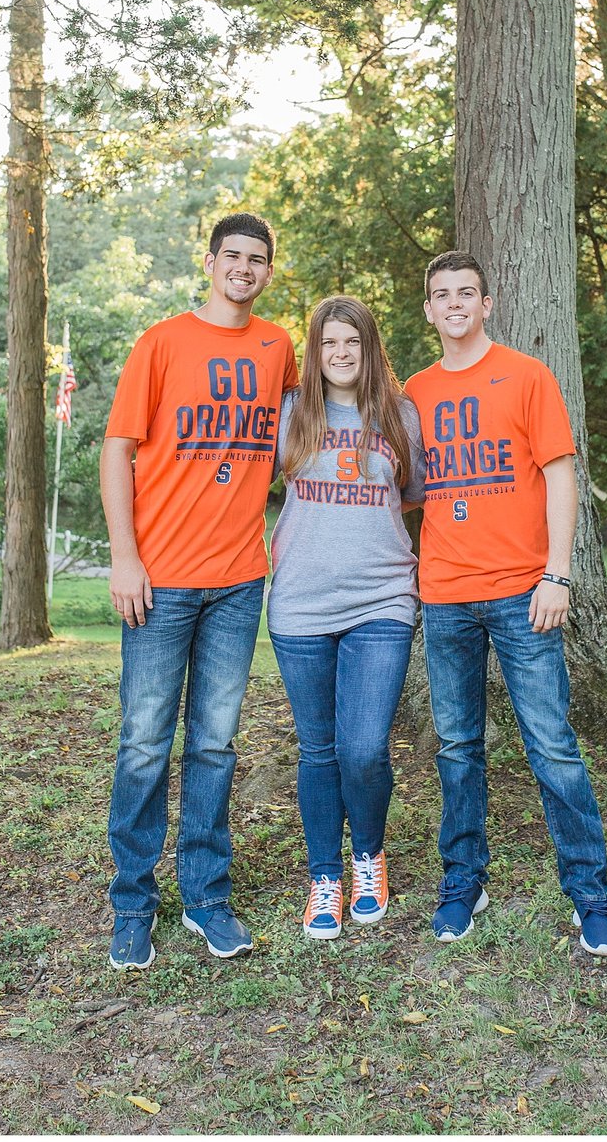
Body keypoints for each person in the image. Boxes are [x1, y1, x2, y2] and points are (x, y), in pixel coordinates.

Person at [404, 250, 607, 956]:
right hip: (445, 597)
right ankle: (464, 881)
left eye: (467, 292)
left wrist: (557, 575)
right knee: (459, 746)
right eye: (443, 294)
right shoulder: (414, 392)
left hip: (523, 593)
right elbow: (402, 488)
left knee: (552, 744)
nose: (456, 304)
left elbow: (561, 476)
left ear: (488, 303)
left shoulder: (528, 376)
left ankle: (590, 893)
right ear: (430, 309)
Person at [100, 212, 298, 969]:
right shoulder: (161, 342)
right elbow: (118, 451)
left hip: (239, 581)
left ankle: (206, 896)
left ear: (267, 271)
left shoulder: (278, 347)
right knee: (146, 742)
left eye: (258, 259)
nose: (244, 269)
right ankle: (131, 904)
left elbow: (299, 433)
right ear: (210, 263)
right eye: (233, 256)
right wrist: (126, 556)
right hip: (161, 579)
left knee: (214, 744)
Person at [267, 296, 425, 940]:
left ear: (369, 349)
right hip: (300, 605)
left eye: (352, 343)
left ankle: (369, 858)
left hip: (383, 601)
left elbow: (412, 498)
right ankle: (324, 876)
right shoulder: (290, 416)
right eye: (329, 343)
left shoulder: (400, 416)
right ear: (316, 350)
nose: (340, 354)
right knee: (319, 749)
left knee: (363, 749)